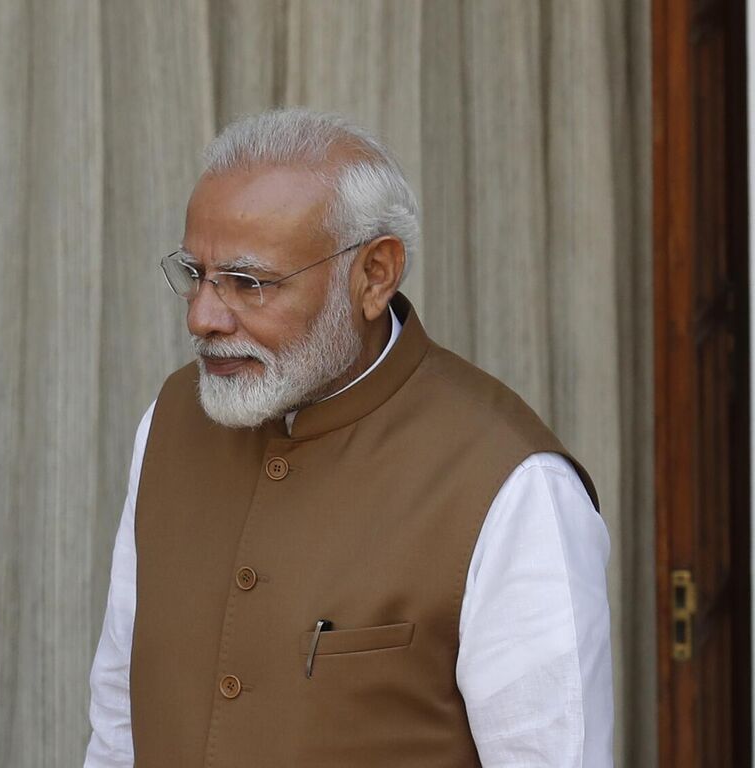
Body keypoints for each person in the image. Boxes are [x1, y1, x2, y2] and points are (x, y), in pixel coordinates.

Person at [83, 109, 612, 766]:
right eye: (196, 275)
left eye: (248, 283)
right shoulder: (170, 422)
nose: (203, 315)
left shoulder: (513, 486)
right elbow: (118, 716)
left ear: (374, 275)